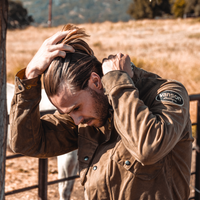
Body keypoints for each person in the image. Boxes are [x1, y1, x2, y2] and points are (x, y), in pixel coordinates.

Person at [9, 24, 193, 200]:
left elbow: (149, 148)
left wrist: (119, 84)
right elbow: (26, 143)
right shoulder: (86, 117)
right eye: (67, 113)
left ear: (96, 82)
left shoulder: (166, 93)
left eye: (76, 108)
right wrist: (30, 76)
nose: (76, 120)